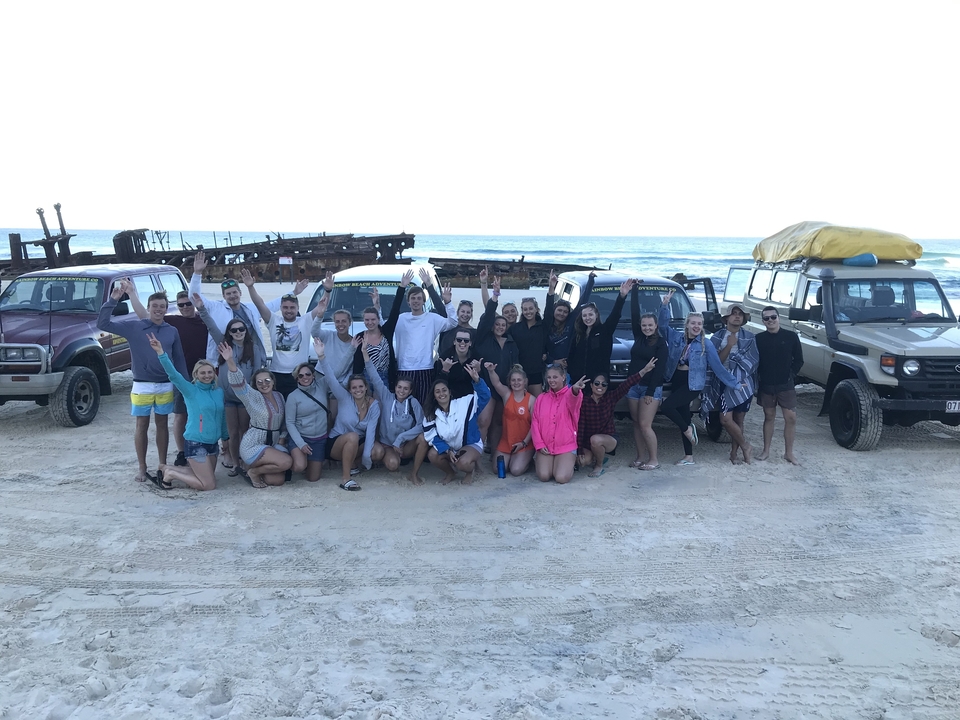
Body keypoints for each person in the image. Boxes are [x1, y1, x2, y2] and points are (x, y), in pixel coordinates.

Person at [97, 286, 188, 484]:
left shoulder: (171, 331)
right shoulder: (135, 327)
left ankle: (162, 465)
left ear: (166, 308)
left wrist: (185, 384)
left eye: (162, 306)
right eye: (154, 306)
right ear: (148, 308)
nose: (158, 310)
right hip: (142, 385)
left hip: (165, 384)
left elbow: (179, 359)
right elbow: (102, 322)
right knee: (142, 425)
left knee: (162, 425)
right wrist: (113, 299)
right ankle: (142, 467)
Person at [122, 282, 209, 468]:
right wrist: (131, 293)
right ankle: (180, 453)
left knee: (200, 413)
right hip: (175, 377)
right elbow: (145, 315)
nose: (185, 307)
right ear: (176, 307)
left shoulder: (204, 321)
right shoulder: (172, 322)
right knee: (178, 415)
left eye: (188, 304)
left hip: (202, 375)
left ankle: (203, 449)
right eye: (181, 304)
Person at [658, 291, 744, 466]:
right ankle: (688, 456)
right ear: (687, 324)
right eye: (693, 323)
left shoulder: (706, 344)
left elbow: (718, 367)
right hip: (677, 379)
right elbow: (661, 326)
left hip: (693, 384)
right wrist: (665, 305)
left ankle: (687, 429)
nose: (696, 326)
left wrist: (734, 383)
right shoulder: (676, 337)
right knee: (683, 414)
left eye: (699, 324)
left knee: (667, 407)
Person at [194, 294, 268, 477]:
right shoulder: (223, 344)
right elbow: (211, 326)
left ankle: (245, 461)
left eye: (241, 329)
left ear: (246, 329)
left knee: (245, 431)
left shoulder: (255, 349)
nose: (238, 332)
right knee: (232, 433)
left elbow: (258, 374)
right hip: (227, 397)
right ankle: (236, 463)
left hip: (246, 399)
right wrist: (202, 309)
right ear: (229, 332)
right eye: (234, 330)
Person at [146, 334, 227, 491]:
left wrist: (225, 437)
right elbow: (173, 375)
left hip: (213, 444)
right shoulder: (190, 390)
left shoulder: (218, 392)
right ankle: (171, 475)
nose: (207, 376)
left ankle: (166, 467)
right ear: (196, 375)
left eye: (210, 372)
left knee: (205, 475)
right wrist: (161, 353)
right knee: (208, 485)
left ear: (214, 374)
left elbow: (222, 417)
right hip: (196, 443)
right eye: (202, 373)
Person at [189, 251, 299, 361]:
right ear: (223, 296)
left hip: (249, 359)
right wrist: (197, 273)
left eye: (234, 292)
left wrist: (294, 292)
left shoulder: (250, 308)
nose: (232, 296)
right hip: (222, 360)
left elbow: (272, 305)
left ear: (240, 293)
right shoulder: (215, 307)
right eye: (228, 294)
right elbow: (194, 296)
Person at [242, 268, 327, 397]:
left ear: (298, 308)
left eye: (292, 308)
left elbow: (322, 305)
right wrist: (250, 287)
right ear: (280, 308)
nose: (289, 310)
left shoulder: (305, 320)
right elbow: (259, 304)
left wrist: (328, 291)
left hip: (299, 374)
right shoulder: (273, 320)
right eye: (285, 307)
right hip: (277, 373)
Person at [314, 337, 380, 491]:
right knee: (353, 436)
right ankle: (346, 478)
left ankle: (354, 463)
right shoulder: (343, 397)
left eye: (360, 387)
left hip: (356, 443)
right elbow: (330, 378)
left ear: (365, 387)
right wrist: (321, 356)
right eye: (354, 388)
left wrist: (366, 459)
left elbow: (370, 432)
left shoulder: (373, 405)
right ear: (349, 390)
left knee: (377, 451)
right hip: (336, 443)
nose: (357, 390)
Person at [222, 343, 293, 488]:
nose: (264, 384)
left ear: (273, 381)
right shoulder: (252, 397)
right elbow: (239, 384)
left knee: (277, 480)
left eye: (267, 380)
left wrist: (282, 437)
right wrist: (230, 361)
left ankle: (253, 470)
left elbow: (284, 422)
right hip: (253, 445)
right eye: (259, 382)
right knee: (286, 462)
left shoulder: (279, 396)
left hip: (272, 444)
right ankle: (254, 472)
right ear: (255, 385)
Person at [700, 302, 759, 465]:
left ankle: (734, 453)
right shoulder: (717, 337)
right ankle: (746, 446)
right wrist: (730, 345)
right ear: (727, 318)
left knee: (739, 419)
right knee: (725, 419)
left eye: (740, 313)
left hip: (744, 383)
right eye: (734, 313)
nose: (737, 316)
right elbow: (716, 362)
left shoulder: (749, 337)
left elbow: (753, 362)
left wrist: (739, 375)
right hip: (724, 381)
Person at [362, 341, 428, 484]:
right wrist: (365, 354)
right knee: (393, 465)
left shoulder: (413, 403)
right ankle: (388, 458)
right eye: (399, 387)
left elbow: (421, 425)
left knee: (423, 438)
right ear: (395, 387)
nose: (402, 391)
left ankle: (414, 473)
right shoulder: (387, 397)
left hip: (405, 445)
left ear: (410, 391)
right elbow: (374, 377)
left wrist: (401, 438)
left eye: (406, 388)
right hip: (389, 445)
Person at [577, 361, 656, 477]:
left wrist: (643, 371)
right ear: (591, 385)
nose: (600, 386)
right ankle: (597, 456)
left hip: (609, 438)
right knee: (583, 462)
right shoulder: (584, 401)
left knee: (596, 440)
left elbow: (626, 384)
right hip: (588, 441)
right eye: (597, 383)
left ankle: (599, 466)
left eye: (604, 384)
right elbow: (580, 427)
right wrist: (579, 450)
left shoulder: (611, 397)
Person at [393, 269, 458, 407]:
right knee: (405, 406)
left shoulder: (432, 319)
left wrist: (448, 302)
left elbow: (453, 322)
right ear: (408, 302)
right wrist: (401, 288)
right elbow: (382, 326)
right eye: (413, 298)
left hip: (425, 369)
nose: (416, 301)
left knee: (424, 405)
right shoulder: (400, 319)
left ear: (423, 301)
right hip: (404, 369)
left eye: (419, 298)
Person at [473, 275, 520, 460]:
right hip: (486, 387)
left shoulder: (511, 343)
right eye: (497, 324)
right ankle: (475, 456)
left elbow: (516, 366)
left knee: (498, 423)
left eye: (503, 325)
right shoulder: (483, 338)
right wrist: (494, 296)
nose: (500, 327)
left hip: (504, 388)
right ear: (492, 326)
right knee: (484, 421)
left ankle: (494, 453)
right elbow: (487, 316)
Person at [421, 361, 490, 485]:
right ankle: (450, 472)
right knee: (432, 455)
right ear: (434, 396)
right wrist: (447, 450)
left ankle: (470, 471)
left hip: (470, 444)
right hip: (450, 448)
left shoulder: (464, 403)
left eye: (444, 390)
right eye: (438, 392)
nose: (441, 394)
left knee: (462, 463)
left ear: (450, 392)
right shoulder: (431, 414)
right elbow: (432, 436)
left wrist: (477, 381)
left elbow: (485, 396)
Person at [755, 306, 804, 465]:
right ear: (763, 321)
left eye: (773, 317)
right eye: (767, 318)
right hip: (767, 385)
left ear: (779, 318)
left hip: (786, 385)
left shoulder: (791, 336)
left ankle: (789, 453)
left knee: (791, 418)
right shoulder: (758, 339)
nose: (770, 320)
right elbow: (754, 362)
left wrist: (791, 375)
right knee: (769, 417)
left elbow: (799, 360)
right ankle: (766, 451)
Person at [627, 288, 669, 470]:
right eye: (644, 325)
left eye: (650, 325)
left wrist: (651, 392)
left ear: (656, 325)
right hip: (633, 387)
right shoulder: (639, 336)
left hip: (650, 388)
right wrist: (634, 291)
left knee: (645, 425)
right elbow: (634, 311)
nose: (646, 328)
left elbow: (659, 371)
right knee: (636, 423)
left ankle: (654, 460)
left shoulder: (661, 344)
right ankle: (640, 456)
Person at [567, 278, 634, 383]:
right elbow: (571, 356)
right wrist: (572, 374)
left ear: (596, 315)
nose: (587, 318)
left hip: (598, 383)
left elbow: (615, 315)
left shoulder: (605, 330)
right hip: (579, 382)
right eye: (584, 315)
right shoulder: (578, 333)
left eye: (590, 314)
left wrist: (622, 296)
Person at [531, 365, 586, 484]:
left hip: (565, 445)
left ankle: (570, 463)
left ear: (563, 377)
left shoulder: (570, 395)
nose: (551, 380)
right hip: (545, 445)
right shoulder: (541, 398)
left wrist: (575, 389)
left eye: (555, 377)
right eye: (549, 377)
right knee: (544, 476)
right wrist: (539, 444)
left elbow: (574, 399)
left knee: (561, 478)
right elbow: (535, 421)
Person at [483, 362, 535, 477]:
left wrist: (524, 443)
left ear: (525, 381)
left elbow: (534, 425)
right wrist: (491, 371)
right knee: (498, 469)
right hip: (507, 441)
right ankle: (515, 458)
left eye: (519, 380)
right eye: (513, 380)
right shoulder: (507, 394)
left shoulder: (531, 400)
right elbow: (496, 383)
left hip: (524, 443)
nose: (516, 383)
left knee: (515, 470)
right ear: (510, 382)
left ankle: (528, 460)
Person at [284, 361, 331, 482]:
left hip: (319, 439)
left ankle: (306, 461)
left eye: (308, 374)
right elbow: (289, 422)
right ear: (297, 379)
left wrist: (351, 349)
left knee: (313, 478)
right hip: (301, 437)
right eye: (301, 375)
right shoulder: (293, 396)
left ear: (313, 375)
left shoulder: (322, 385)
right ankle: (286, 464)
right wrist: (301, 444)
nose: (305, 377)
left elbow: (337, 371)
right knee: (299, 466)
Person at [544, 270, 594, 368]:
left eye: (565, 311)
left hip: (568, 365)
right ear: (554, 310)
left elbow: (582, 301)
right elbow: (549, 307)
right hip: (551, 365)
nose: (562, 313)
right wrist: (551, 287)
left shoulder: (570, 322)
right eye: (559, 310)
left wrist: (591, 280)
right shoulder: (547, 324)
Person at [508, 296, 549, 396]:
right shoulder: (514, 328)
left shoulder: (543, 326)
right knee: (520, 405)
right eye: (525, 309)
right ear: (522, 310)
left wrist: (551, 289)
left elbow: (549, 310)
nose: (528, 312)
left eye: (531, 308)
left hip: (536, 372)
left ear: (536, 309)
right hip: (519, 371)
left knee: (536, 405)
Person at [435, 329, 480, 399]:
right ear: (454, 342)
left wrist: (479, 371)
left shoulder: (476, 357)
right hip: (449, 398)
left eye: (466, 340)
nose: (462, 342)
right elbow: (437, 384)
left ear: (470, 343)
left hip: (470, 398)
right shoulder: (445, 357)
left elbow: (481, 385)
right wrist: (444, 371)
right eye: (459, 340)